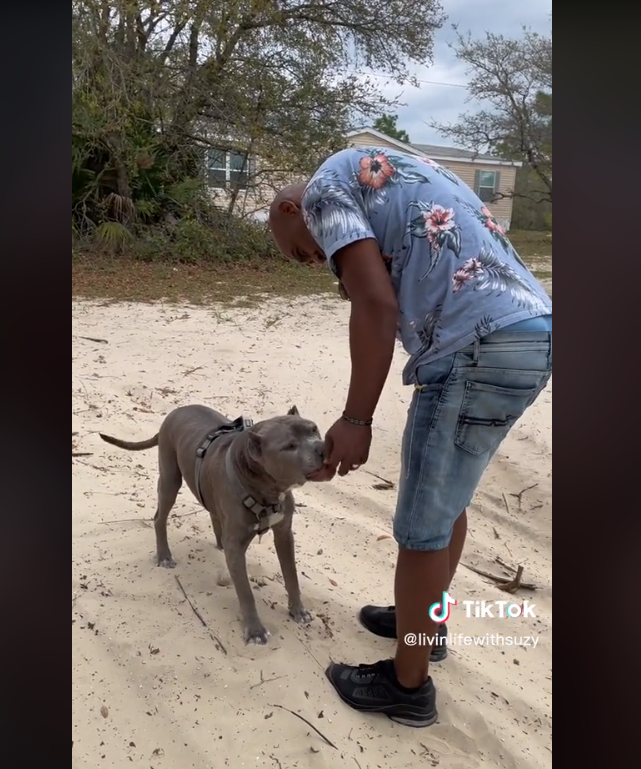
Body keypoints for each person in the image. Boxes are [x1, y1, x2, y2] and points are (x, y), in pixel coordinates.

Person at [268, 146, 552, 728]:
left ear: (295, 208)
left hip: (477, 345)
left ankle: (407, 684)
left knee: (421, 527)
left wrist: (356, 420)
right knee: (447, 504)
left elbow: (376, 304)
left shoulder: (324, 190)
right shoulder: (390, 173)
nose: (314, 257)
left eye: (301, 248)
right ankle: (425, 623)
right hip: (531, 331)